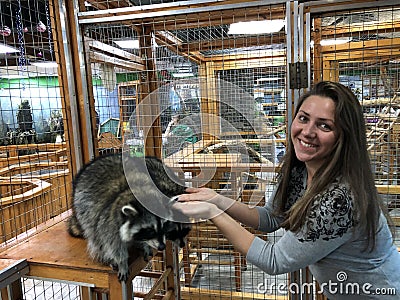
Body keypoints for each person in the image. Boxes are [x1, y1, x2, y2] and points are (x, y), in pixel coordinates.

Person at [173, 81, 400, 299]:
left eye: (324, 125)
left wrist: (214, 213)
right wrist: (217, 200)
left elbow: (275, 261)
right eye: (303, 118)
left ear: (344, 136)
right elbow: (271, 219)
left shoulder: (339, 198)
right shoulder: (300, 171)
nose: (307, 132)